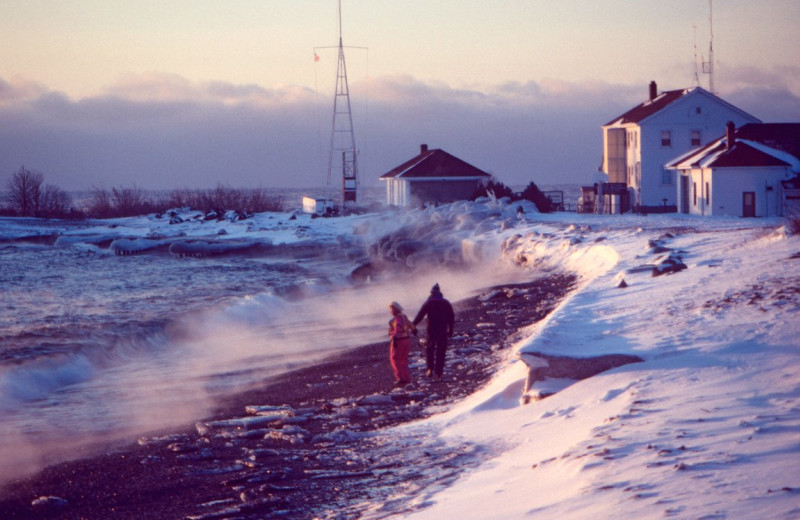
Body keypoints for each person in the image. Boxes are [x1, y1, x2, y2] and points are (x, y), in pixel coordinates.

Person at [412, 283, 455, 380]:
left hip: (431, 329)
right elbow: (451, 317)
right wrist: (451, 329)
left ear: (431, 293)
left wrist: (413, 325)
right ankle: (438, 373)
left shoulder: (428, 302)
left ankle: (430, 368)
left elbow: (420, 315)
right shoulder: (446, 303)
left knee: (430, 349)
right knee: (441, 351)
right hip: (442, 329)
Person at [387, 301, 415, 387]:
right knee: (404, 359)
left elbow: (398, 327)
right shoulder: (403, 316)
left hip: (399, 340)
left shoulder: (396, 319)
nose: (390, 311)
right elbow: (410, 325)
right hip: (406, 339)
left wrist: (394, 337)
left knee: (395, 359)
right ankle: (406, 378)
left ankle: (401, 379)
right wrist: (414, 329)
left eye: (391, 309)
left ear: (395, 309)